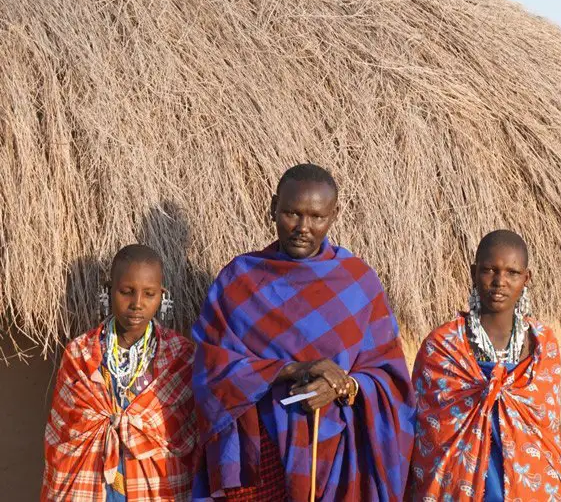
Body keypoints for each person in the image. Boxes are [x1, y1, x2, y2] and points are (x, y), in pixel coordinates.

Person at [192, 163, 414, 501]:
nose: (302, 228)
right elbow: (211, 368)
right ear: (272, 208)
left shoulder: (357, 283)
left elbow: (389, 378)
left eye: (316, 217)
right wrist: (294, 369)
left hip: (337, 452)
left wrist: (343, 385)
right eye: (292, 214)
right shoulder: (239, 280)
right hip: (257, 452)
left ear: (334, 215)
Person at [408, 230, 561, 502]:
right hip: (459, 488)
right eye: (489, 271)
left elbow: (547, 432)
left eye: (512, 273)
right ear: (473, 273)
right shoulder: (442, 346)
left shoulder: (543, 345)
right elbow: (426, 435)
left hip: (531, 487)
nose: (500, 282)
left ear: (526, 279)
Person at [42, 244, 196, 501]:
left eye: (149, 294)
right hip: (90, 482)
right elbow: (63, 433)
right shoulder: (80, 353)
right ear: (108, 291)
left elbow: (190, 432)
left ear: (162, 296)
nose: (137, 304)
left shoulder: (180, 356)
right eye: (126, 292)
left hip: (158, 485)